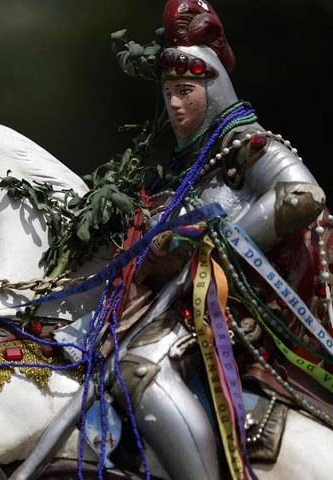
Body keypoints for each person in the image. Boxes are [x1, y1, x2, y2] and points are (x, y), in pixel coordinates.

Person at [109, 1, 333, 478]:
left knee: (140, 371)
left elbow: (302, 195)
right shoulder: (175, 174)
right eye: (168, 92)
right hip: (173, 305)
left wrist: (213, 240)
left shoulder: (246, 145)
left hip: (238, 312)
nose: (174, 103)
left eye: (185, 90)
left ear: (213, 89)